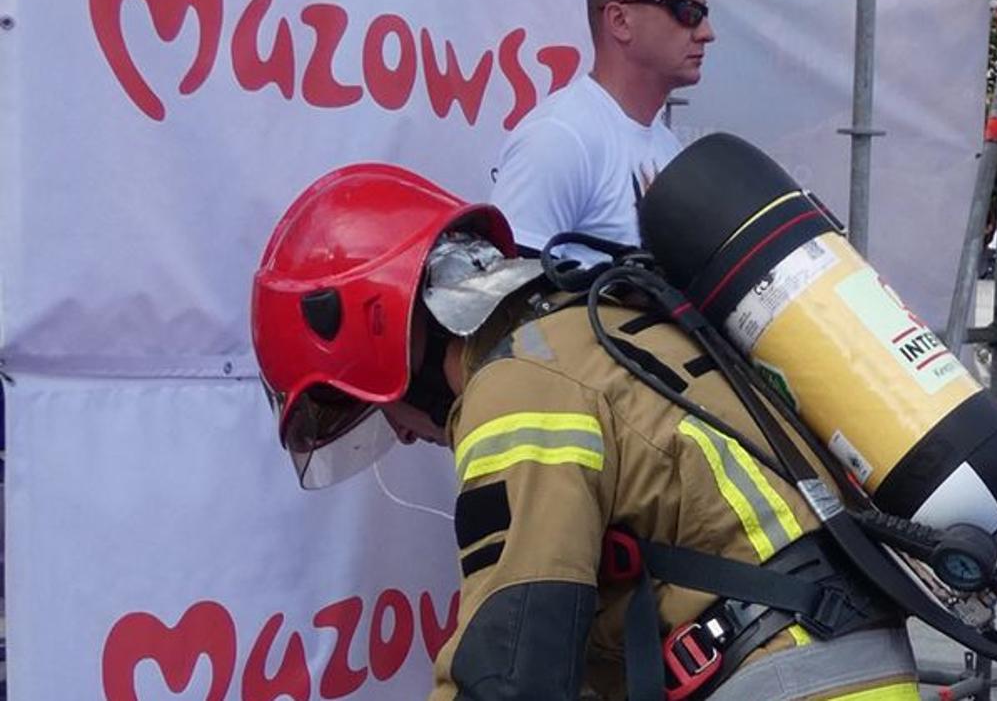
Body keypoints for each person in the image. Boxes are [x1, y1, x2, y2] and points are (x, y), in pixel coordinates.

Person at [252, 165, 923, 700]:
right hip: (844, 659)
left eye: (375, 407)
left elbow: (513, 661)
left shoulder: (517, 389)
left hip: (783, 678)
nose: (398, 436)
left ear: (386, 343)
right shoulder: (603, 323)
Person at [491, 0, 716, 261]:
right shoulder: (559, 138)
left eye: (704, 15)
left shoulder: (667, 146)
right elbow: (500, 297)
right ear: (620, 20)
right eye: (687, 13)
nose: (707, 33)